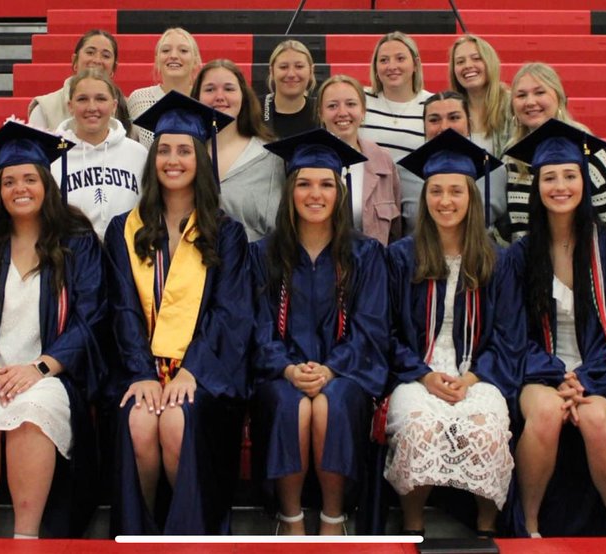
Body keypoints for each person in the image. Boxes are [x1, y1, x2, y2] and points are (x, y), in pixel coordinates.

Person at [0, 121, 107, 538]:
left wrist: (39, 368)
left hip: (49, 371)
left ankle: (26, 539)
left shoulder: (78, 243)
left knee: (32, 418)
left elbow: (92, 316)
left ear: (46, 184)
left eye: (30, 178)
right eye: (9, 181)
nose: (20, 188)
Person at [108, 91, 252, 535]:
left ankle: (190, 534)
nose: (173, 159)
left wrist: (192, 372)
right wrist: (141, 373)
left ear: (200, 159)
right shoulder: (124, 229)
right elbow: (121, 309)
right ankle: (147, 531)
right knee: (138, 419)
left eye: (184, 150)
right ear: (153, 159)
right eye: (165, 150)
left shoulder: (226, 234)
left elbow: (230, 314)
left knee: (175, 419)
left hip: (206, 376)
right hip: (143, 369)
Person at [504, 119, 606, 537]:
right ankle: (528, 524)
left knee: (598, 421)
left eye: (569, 176)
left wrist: (584, 378)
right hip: (538, 370)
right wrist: (553, 373)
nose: (559, 186)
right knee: (544, 414)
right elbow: (511, 333)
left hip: (597, 369)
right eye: (549, 178)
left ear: (584, 182)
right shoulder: (521, 255)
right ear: (536, 187)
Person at [250, 129, 389, 535]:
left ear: (339, 192)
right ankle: (290, 517)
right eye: (305, 184)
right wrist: (288, 369)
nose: (316, 194)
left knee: (330, 403)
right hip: (279, 374)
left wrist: (330, 369)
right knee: (292, 403)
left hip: (347, 373)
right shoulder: (263, 254)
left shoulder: (366, 255)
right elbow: (257, 326)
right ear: (290, 190)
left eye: (326, 184)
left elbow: (372, 328)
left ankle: (333, 516)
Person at [384, 130, 520, 536]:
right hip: (414, 373)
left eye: (456, 191)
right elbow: (386, 332)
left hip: (478, 374)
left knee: (487, 426)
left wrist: (472, 379)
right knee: (419, 426)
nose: (445, 201)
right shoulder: (400, 257)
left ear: (471, 198)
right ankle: (413, 526)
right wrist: (425, 375)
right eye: (436, 191)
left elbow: (508, 336)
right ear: (424, 198)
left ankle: (486, 528)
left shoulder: (499, 260)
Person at [504, 63, 606, 242]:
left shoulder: (588, 148)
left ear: (559, 98)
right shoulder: (512, 157)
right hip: (532, 261)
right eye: (521, 95)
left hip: (590, 257)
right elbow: (518, 227)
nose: (530, 102)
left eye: (539, 92)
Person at [192, 58, 286, 242]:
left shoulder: (269, 155)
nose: (219, 96)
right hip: (191, 264)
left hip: (252, 264)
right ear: (197, 97)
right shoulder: (186, 153)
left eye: (229, 89)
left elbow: (278, 228)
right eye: (210, 89)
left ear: (243, 96)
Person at [51, 69, 148, 238]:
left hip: (125, 254)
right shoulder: (54, 156)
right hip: (73, 255)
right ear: (70, 106)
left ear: (114, 106)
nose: (92, 107)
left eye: (101, 99)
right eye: (82, 99)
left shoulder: (138, 154)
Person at [359, 31, 434, 235]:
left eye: (400, 58)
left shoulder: (433, 104)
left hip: (417, 208)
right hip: (369, 206)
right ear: (375, 67)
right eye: (383, 60)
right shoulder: (360, 100)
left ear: (416, 63)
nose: (392, 66)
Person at [316, 74, 401, 245]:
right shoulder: (309, 163)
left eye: (351, 104)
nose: (342, 112)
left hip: (373, 266)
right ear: (321, 114)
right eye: (332, 106)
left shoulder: (383, 161)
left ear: (363, 111)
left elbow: (395, 230)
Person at [421, 91, 507, 237]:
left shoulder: (495, 172)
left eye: (454, 118)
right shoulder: (403, 173)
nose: (444, 127)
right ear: (424, 126)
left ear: (469, 123)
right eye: (434, 120)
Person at [27, 30, 133, 135]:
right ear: (75, 60)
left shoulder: (129, 108)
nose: (97, 60)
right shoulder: (45, 108)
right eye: (90, 52)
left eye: (106, 56)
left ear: (114, 68)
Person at [128, 28, 202, 149]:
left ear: (195, 61)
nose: (173, 56)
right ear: (157, 59)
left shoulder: (205, 99)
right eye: (166, 50)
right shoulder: (138, 99)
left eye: (183, 51)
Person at [447, 35, 511, 159]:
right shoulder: (449, 111)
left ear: (490, 62)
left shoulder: (512, 106)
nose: (468, 65)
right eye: (460, 62)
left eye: (476, 58)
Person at [261, 40, 320, 139]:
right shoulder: (253, 110)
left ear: (311, 70)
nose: (291, 74)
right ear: (272, 71)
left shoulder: (321, 111)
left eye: (299, 66)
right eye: (283, 67)